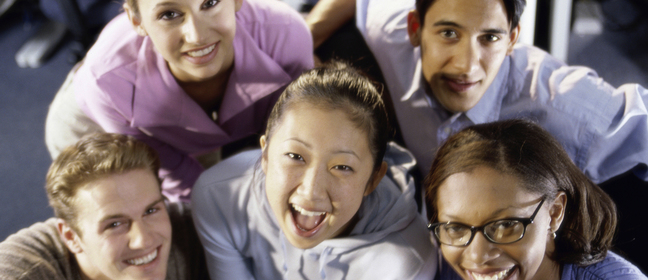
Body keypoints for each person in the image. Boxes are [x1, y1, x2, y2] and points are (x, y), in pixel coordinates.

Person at [45, 0, 314, 202]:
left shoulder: (286, 36)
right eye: (169, 14)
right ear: (137, 21)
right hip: (96, 123)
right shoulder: (106, 84)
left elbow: (294, 143)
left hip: (194, 129)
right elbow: (178, 180)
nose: (197, 36)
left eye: (210, 2)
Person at [355, 0, 648, 184]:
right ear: (415, 28)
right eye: (448, 33)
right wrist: (312, 33)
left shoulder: (560, 104)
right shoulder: (391, 34)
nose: (466, 66)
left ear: (511, 39)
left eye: (490, 37)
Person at [191, 62, 437, 279]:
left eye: (342, 167)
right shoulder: (219, 196)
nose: (310, 192)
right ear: (265, 154)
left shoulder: (405, 265)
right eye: (295, 156)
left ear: (373, 180)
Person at [424, 119, 647, 280]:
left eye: (505, 225)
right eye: (456, 228)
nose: (478, 256)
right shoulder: (436, 267)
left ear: (554, 213)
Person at [0, 133, 208, 280]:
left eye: (151, 211)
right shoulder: (24, 271)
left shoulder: (194, 229)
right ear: (71, 237)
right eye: (115, 224)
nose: (143, 240)